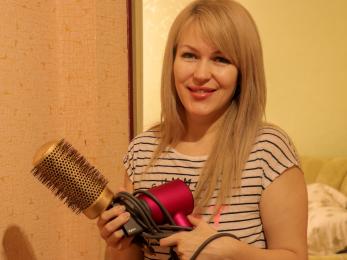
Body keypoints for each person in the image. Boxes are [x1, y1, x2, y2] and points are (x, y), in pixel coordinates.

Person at [97, 0, 308, 259]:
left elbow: (296, 256)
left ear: (243, 72)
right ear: (172, 61)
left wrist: (232, 253)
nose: (200, 73)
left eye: (220, 59)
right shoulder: (143, 151)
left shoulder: (267, 150)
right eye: (190, 55)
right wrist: (116, 244)